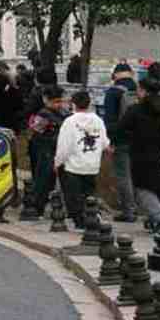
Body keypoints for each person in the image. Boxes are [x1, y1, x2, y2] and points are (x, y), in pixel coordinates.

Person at [114, 73, 160, 229]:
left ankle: (159, 218)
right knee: (159, 186)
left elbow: (120, 130)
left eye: (138, 90)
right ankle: (154, 219)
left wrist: (122, 141)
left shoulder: (136, 110)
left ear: (143, 91)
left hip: (141, 154)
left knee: (143, 188)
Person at [54, 86, 109, 230]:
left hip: (73, 165)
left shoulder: (70, 122)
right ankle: (92, 217)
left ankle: (79, 221)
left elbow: (64, 146)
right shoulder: (98, 120)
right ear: (89, 103)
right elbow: (104, 143)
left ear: (73, 104)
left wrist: (57, 161)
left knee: (74, 195)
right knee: (89, 194)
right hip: (92, 164)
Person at [22, 84, 67, 220]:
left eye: (60, 101)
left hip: (56, 150)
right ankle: (37, 208)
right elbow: (35, 134)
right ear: (46, 100)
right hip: (45, 151)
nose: (58, 104)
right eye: (55, 102)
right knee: (43, 180)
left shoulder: (61, 113)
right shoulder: (43, 114)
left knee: (51, 181)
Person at [102, 62, 139, 221]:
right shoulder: (140, 90)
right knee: (137, 174)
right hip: (141, 139)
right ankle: (139, 207)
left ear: (115, 75)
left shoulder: (113, 92)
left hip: (121, 139)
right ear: (130, 73)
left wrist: (110, 142)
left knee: (123, 175)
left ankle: (129, 211)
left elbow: (109, 120)